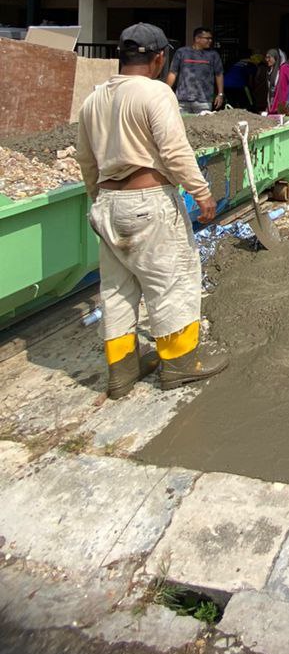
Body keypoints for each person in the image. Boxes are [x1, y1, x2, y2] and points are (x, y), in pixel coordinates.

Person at [76, 23, 228, 399]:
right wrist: (202, 193)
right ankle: (179, 362)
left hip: (107, 204)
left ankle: (121, 368)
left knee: (116, 288)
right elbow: (174, 150)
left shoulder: (94, 99)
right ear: (160, 58)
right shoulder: (156, 93)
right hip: (148, 202)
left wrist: (99, 199)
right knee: (171, 281)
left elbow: (86, 159)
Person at [165, 27, 224, 113]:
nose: (210, 41)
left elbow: (219, 74)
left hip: (204, 101)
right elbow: (173, 72)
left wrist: (220, 94)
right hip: (182, 100)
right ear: (197, 39)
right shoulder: (182, 52)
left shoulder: (213, 55)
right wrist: (166, 91)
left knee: (203, 122)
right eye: (207, 38)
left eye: (211, 38)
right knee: (181, 121)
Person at [265, 48, 289, 114]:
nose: (267, 60)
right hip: (272, 104)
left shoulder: (285, 68)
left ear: (276, 57)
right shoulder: (270, 71)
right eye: (266, 57)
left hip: (283, 105)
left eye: (269, 57)